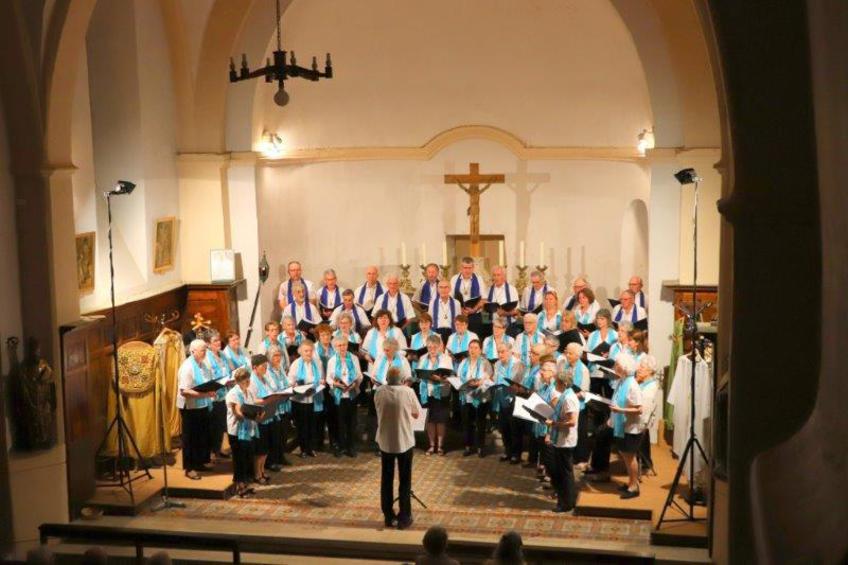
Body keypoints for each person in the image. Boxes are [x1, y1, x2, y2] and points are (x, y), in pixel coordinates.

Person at [585, 353, 643, 499]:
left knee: (630, 458)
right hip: (620, 424)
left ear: (624, 368)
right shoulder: (623, 381)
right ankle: (631, 482)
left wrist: (620, 410)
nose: (615, 367)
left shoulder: (633, 385)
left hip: (630, 428)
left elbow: (639, 409)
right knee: (625, 455)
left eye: (617, 365)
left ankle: (634, 487)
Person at [375, 366, 420, 530]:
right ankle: (404, 517)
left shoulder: (379, 391)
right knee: (405, 480)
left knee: (386, 480)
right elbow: (416, 414)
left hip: (386, 441)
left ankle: (388, 516)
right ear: (402, 380)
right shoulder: (408, 392)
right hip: (404, 441)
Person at [177, 339, 216, 479]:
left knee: (202, 435)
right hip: (190, 408)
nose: (204, 352)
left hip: (202, 404)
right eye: (202, 350)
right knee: (191, 438)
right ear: (193, 351)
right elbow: (184, 391)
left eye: (205, 350)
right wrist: (206, 394)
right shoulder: (188, 367)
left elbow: (207, 382)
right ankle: (189, 468)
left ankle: (200, 462)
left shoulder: (203, 364)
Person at [545, 365, 580, 513]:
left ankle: (566, 503)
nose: (555, 385)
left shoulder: (569, 398)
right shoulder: (565, 395)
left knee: (564, 474)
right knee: (564, 472)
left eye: (557, 383)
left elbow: (572, 422)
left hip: (566, 441)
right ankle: (567, 500)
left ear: (564, 384)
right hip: (561, 439)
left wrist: (554, 424)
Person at [327, 336, 363, 457]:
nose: (342, 347)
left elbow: (359, 374)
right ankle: (341, 447)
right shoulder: (332, 360)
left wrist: (355, 383)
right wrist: (334, 383)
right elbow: (328, 377)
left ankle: (351, 447)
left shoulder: (353, 358)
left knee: (352, 422)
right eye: (339, 345)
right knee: (339, 422)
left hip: (351, 394)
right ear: (335, 347)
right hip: (339, 395)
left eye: (344, 345)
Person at [226, 367, 259, 497]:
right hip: (237, 431)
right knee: (239, 459)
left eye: (248, 379)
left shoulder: (249, 392)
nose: (248, 382)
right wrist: (251, 414)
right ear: (238, 381)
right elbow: (238, 413)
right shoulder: (233, 394)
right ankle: (239, 487)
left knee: (247, 458)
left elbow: (253, 407)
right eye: (245, 380)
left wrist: (258, 414)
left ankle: (245, 484)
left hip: (248, 429)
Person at [457, 339, 493, 457]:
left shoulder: (485, 362)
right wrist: (465, 382)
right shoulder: (463, 362)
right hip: (466, 396)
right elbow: (459, 376)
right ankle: (468, 446)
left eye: (476, 348)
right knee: (467, 423)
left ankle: (480, 447)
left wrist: (479, 382)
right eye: (471, 347)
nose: (473, 350)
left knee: (480, 423)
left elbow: (488, 378)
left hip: (479, 396)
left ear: (480, 350)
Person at [417, 333, 452, 455]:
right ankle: (431, 445)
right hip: (427, 393)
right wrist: (425, 376)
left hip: (441, 393)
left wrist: (440, 378)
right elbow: (419, 374)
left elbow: (449, 377)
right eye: (429, 347)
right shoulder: (422, 358)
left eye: (434, 347)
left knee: (440, 420)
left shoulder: (446, 359)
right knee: (430, 420)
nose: (431, 350)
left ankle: (440, 446)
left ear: (439, 347)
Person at [288, 340, 324, 458]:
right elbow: (290, 382)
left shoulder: (317, 363)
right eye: (306, 351)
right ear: (300, 352)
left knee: (312, 424)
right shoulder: (296, 364)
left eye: (310, 351)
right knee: (302, 425)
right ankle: (303, 449)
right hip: (300, 399)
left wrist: (321, 383)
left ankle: (310, 448)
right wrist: (299, 386)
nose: (308, 353)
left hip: (313, 398)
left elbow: (321, 378)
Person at [248, 354, 280, 484]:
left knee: (265, 448)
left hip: (268, 416)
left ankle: (262, 471)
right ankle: (257, 474)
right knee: (260, 449)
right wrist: (267, 400)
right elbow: (252, 399)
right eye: (263, 366)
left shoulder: (264, 378)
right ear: (255, 367)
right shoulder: (251, 381)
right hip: (259, 419)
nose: (266, 367)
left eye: (266, 365)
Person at [558, 343, 591, 466]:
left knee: (580, 433)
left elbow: (584, 392)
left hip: (578, 406)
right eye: (567, 352)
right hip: (566, 404)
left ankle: (581, 458)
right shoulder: (564, 366)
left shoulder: (583, 370)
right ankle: (568, 456)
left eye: (570, 353)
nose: (567, 355)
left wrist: (570, 397)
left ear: (578, 356)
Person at [493, 342, 525, 464]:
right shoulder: (497, 364)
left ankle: (516, 454)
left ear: (510, 351)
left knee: (515, 428)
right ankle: (508, 452)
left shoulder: (518, 364)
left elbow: (517, 382)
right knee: (504, 427)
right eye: (499, 352)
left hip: (514, 399)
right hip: (501, 398)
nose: (500, 354)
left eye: (503, 351)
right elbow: (496, 379)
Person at [204, 330, 232, 461]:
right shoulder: (207, 357)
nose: (218, 342)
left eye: (219, 339)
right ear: (208, 344)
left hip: (224, 394)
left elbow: (229, 369)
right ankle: (212, 452)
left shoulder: (222, 354)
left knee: (222, 425)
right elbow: (208, 377)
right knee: (214, 426)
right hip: (213, 396)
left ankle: (219, 449)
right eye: (215, 341)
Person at [266, 345, 292, 468]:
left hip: (285, 404)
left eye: (279, 355)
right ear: (269, 357)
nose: (278, 358)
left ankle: (281, 456)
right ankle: (272, 460)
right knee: (275, 435)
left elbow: (286, 382)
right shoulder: (267, 371)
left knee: (284, 434)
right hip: (275, 407)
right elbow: (272, 388)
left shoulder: (280, 367)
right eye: (275, 355)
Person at [449, 256, 487, 336]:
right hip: (459, 314)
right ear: (461, 268)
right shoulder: (454, 279)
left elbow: (484, 299)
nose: (467, 270)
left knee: (475, 338)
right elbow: (450, 299)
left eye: (470, 268)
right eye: (465, 268)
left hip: (475, 315)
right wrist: (461, 309)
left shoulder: (479, 279)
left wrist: (474, 309)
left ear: (473, 268)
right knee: (459, 337)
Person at [314, 324, 337, 451]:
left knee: (332, 413)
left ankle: (334, 441)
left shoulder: (334, 347)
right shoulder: (314, 349)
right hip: (320, 384)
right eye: (323, 335)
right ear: (319, 336)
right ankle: (319, 441)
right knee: (319, 414)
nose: (326, 337)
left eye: (328, 334)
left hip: (332, 384)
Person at [585, 309, 619, 396]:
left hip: (608, 372)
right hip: (595, 370)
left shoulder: (615, 334)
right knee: (594, 397)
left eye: (602, 319)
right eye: (598, 318)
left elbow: (618, 351)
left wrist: (609, 354)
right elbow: (588, 351)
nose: (599, 321)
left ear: (608, 320)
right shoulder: (593, 335)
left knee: (608, 397)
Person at [636, 354, 660, 472]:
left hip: (640, 421)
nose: (639, 369)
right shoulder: (642, 382)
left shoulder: (650, 387)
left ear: (650, 371)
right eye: (639, 367)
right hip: (636, 417)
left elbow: (643, 412)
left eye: (642, 368)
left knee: (604, 432)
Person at [429, 280, 462, 344]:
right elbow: (430, 320)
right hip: (437, 332)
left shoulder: (456, 303)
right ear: (438, 289)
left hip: (452, 332)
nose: (443, 290)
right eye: (441, 287)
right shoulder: (432, 303)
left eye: (446, 287)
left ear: (450, 289)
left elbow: (458, 320)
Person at [487, 266, 520, 330]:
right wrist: (485, 323)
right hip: (492, 326)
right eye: (494, 275)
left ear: (504, 277)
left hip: (508, 326)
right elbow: (485, 310)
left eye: (498, 275)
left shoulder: (511, 289)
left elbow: (517, 311)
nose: (496, 277)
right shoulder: (488, 290)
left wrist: (505, 313)